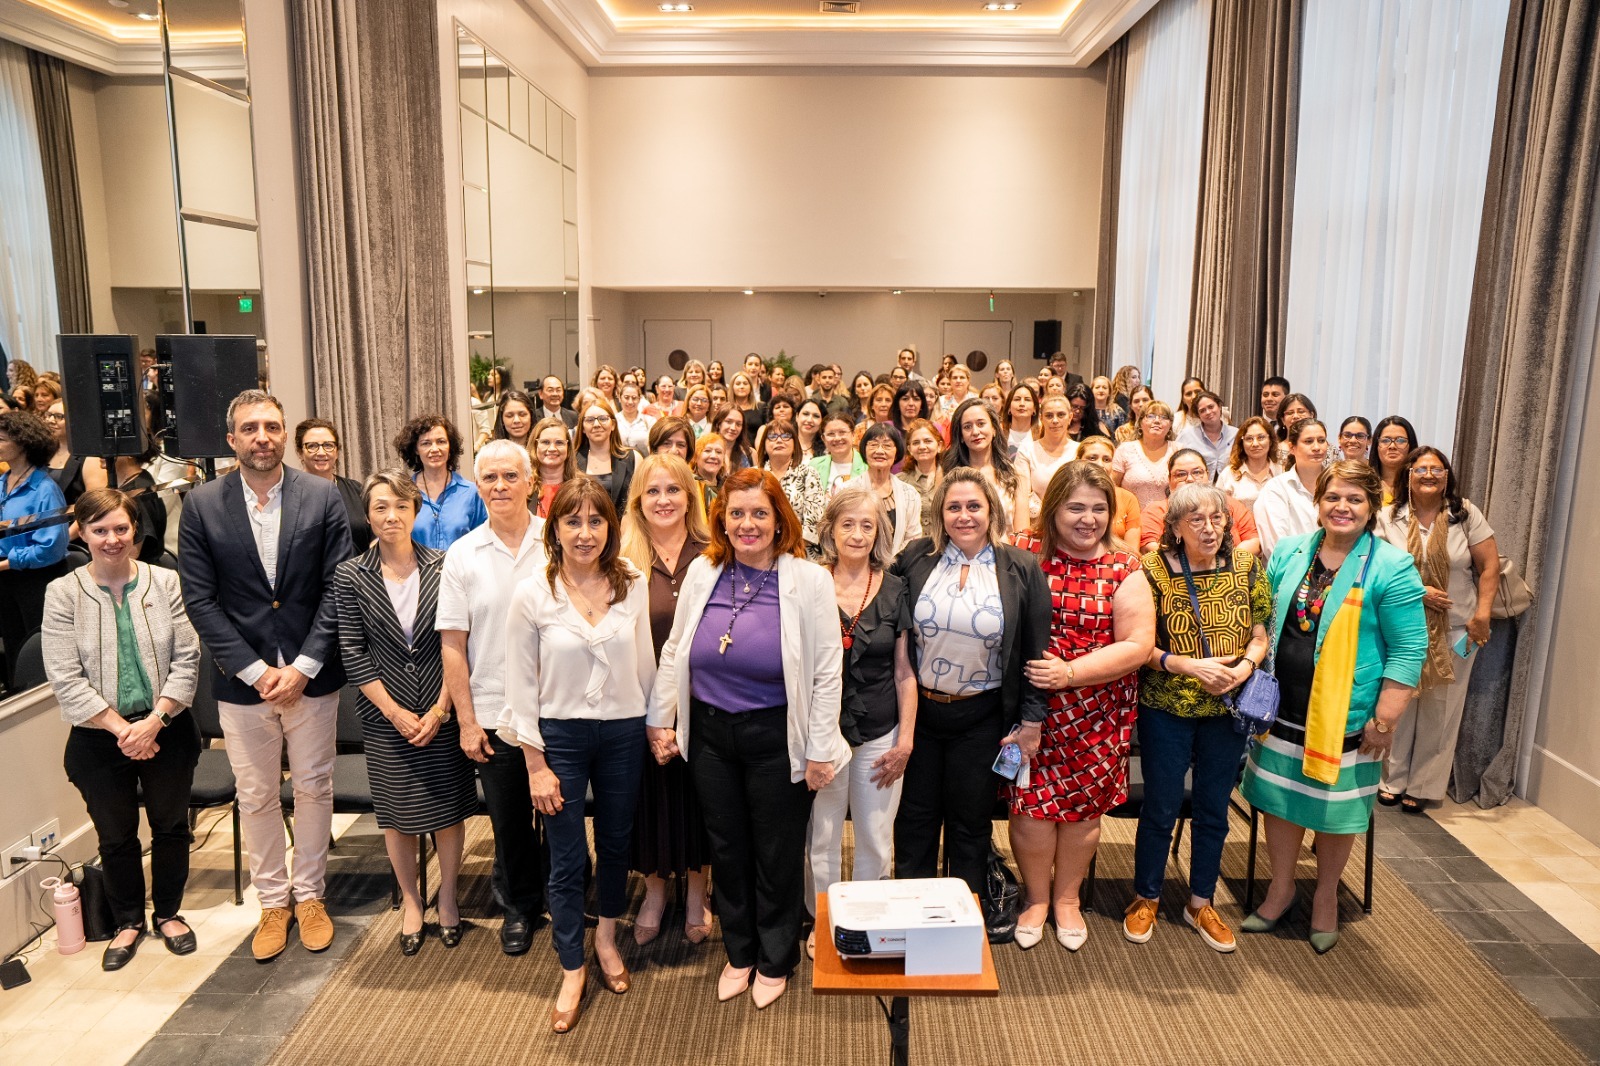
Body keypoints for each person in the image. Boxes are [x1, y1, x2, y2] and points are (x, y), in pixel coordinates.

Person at [647, 468, 847, 1009]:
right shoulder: (703, 573)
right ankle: (739, 952)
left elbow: (828, 670)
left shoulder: (808, 580)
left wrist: (821, 748)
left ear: (779, 517)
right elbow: (675, 652)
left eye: (759, 512)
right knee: (727, 847)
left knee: (776, 852)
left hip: (776, 734)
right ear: (721, 519)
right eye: (736, 513)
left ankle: (775, 957)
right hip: (710, 733)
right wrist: (658, 717)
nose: (747, 523)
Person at [178, 390, 354, 961]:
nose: (263, 436)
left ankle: (310, 896)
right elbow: (201, 602)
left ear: (285, 434)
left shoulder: (322, 496)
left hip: (311, 676)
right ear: (232, 439)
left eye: (272, 426)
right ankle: (273, 904)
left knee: (313, 787)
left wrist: (303, 666)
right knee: (254, 796)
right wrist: (256, 671)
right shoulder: (201, 504)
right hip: (242, 681)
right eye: (250, 428)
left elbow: (338, 588)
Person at [1240, 461, 1426, 953]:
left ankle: (1325, 898)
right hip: (1282, 708)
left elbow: (1409, 650)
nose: (1342, 508)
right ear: (1317, 503)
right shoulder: (1291, 551)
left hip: (1349, 714)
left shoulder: (1391, 566)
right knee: (1280, 802)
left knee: (1333, 811)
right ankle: (1280, 890)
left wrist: (1384, 720)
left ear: (1372, 508)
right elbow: (1266, 616)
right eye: (1333, 498)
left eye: (1355, 500)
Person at [501, 478, 655, 1033]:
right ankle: (571, 966)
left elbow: (645, 665)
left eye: (596, 521)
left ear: (611, 528)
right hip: (558, 737)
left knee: (615, 845)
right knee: (566, 858)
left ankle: (607, 941)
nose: (585, 533)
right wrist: (535, 764)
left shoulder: (631, 583)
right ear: (555, 529)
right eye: (573, 522)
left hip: (621, 733)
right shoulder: (532, 593)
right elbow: (519, 687)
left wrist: (656, 723)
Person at [44, 488, 200, 971]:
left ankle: (169, 913)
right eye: (99, 530)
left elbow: (188, 658)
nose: (112, 539)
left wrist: (153, 722)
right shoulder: (62, 592)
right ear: (84, 533)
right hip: (97, 739)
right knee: (115, 836)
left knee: (171, 827)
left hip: (168, 729)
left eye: (121, 528)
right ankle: (129, 920)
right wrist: (123, 731)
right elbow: (65, 678)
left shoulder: (166, 581)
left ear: (135, 531)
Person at [1006, 462, 1153, 952]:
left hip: (1098, 712)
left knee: (1082, 813)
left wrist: (1070, 673)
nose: (1088, 518)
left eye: (1098, 508)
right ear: (1052, 511)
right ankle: (1036, 899)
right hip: (1031, 711)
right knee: (1030, 808)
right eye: (1076, 507)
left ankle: (1067, 899)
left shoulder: (1125, 566)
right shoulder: (1023, 554)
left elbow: (1136, 645)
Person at [1123, 483, 1271, 953]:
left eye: (1217, 519)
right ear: (1174, 528)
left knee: (1213, 809)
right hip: (1167, 705)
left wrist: (1245, 668)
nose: (1209, 529)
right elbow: (1137, 644)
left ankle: (1200, 901)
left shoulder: (1247, 567)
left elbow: (1259, 634)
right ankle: (1146, 896)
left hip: (1227, 707)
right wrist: (1189, 666)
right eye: (1196, 521)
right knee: (1161, 806)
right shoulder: (1152, 570)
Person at [891, 468, 1050, 899]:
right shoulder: (915, 558)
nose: (964, 516)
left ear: (991, 511)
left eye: (974, 506)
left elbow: (1036, 650)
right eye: (954, 507)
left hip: (983, 717)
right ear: (940, 514)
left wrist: (1032, 720)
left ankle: (965, 923)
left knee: (969, 823)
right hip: (920, 714)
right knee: (915, 820)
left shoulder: (1020, 566)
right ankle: (912, 914)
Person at [333, 471, 475, 955]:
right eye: (379, 507)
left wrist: (439, 709)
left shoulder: (446, 566)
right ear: (368, 515)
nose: (390, 516)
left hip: (444, 709)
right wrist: (395, 713)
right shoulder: (351, 575)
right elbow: (353, 652)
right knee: (398, 817)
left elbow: (458, 642)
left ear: (415, 512)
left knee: (449, 810)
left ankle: (450, 897)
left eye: (400, 506)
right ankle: (413, 902)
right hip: (384, 718)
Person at [437, 440, 548, 957]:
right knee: (508, 821)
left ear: (531, 482)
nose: (500, 486)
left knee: (560, 812)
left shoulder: (559, 540)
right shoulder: (463, 554)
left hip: (557, 706)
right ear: (477, 487)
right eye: (489, 479)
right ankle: (520, 906)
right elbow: (453, 645)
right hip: (494, 710)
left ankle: (566, 895)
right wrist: (465, 719)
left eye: (510, 476)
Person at [803, 485, 916, 956]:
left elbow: (905, 671)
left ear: (879, 532)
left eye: (866, 525)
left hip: (879, 733)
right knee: (822, 836)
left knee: (874, 835)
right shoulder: (808, 582)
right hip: (821, 735)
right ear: (830, 529)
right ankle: (822, 923)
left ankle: (866, 924)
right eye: (847, 523)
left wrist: (906, 740)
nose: (856, 533)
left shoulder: (893, 586)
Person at [620, 454, 714, 946]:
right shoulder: (622, 556)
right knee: (651, 799)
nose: (664, 500)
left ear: (689, 496)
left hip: (703, 703)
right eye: (653, 491)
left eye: (673, 490)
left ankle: (698, 889)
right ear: (639, 498)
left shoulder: (714, 552)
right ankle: (654, 891)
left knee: (699, 798)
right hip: (641, 703)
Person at [1375, 448, 1499, 812]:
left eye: (1436, 469)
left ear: (1447, 475)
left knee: (1442, 710)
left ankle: (1424, 784)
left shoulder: (1465, 514)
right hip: (1401, 626)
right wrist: (1418, 590)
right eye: (1421, 469)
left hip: (1459, 627)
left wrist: (1483, 615)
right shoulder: (1388, 516)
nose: (1428, 474)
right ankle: (1391, 779)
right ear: (1408, 474)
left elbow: (1489, 566)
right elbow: (1377, 568)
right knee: (1400, 700)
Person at [0, 410, 71, 690]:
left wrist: (6, 563)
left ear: (23, 443)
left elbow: (51, 547)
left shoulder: (44, 488)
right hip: (7, 579)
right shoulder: (3, 482)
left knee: (38, 648)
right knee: (14, 645)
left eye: (2, 438)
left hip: (37, 580)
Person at [1139, 449, 1259, 556]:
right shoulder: (1156, 510)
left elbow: (1254, 541)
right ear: (1170, 480)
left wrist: (1224, 564)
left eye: (1197, 472)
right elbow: (1150, 547)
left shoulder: (1229, 505)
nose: (1190, 479)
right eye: (1181, 474)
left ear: (1208, 475)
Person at [393, 416, 484, 552]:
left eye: (441, 441)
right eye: (426, 443)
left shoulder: (471, 492)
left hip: (461, 572)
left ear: (450, 446)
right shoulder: (403, 493)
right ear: (416, 449)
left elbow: (483, 541)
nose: (434, 449)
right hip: (417, 572)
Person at [944, 398, 1031, 532]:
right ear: (960, 436)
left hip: (1007, 550)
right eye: (967, 427)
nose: (975, 432)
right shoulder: (948, 476)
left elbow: (1022, 532)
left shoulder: (1016, 475)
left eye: (981, 424)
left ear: (994, 429)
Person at [1254, 418, 1329, 556]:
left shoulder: (1336, 486)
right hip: (1291, 570)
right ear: (1292, 447)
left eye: (1321, 440)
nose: (1317, 447)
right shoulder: (1276, 489)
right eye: (1308, 441)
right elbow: (1277, 547)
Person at [296, 419, 371, 553]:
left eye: (328, 445)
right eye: (312, 446)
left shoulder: (357, 490)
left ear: (336, 452)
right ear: (300, 452)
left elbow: (375, 534)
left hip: (357, 572)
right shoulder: (290, 494)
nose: (321, 452)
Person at [851, 422, 922, 555]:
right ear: (864, 450)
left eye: (887, 445)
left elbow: (913, 539)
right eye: (873, 444)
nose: (879, 451)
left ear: (896, 453)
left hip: (899, 569)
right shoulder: (848, 490)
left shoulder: (910, 495)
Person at [759, 418, 826, 554]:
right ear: (764, 446)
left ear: (795, 445)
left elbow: (814, 522)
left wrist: (784, 552)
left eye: (786, 436)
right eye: (772, 436)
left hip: (800, 552)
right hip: (760, 551)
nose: (779, 440)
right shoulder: (754, 475)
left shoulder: (808, 473)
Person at [575, 395, 640, 516]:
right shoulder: (572, 460)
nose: (596, 424)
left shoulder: (633, 458)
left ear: (613, 425)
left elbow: (638, 504)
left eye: (603, 418)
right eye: (589, 420)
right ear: (582, 428)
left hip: (623, 530)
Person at [1019, 394, 1078, 525]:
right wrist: (1022, 534)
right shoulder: (1027, 450)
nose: (1055, 420)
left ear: (1070, 417)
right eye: (1049, 415)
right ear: (1041, 418)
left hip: (1072, 527)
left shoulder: (1079, 451)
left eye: (1061, 415)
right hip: (1037, 526)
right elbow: (1021, 497)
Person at [1077, 436, 1141, 554]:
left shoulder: (1128, 498)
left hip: (1117, 565)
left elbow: (1133, 551)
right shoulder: (1064, 493)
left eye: (1107, 460)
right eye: (1092, 458)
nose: (1100, 464)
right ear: (1078, 460)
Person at [1111, 400, 1178, 510]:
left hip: (1170, 520)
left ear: (1170, 424)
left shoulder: (1178, 450)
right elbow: (1113, 487)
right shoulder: (1125, 449)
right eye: (1150, 416)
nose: (1157, 421)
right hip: (1131, 519)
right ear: (1140, 422)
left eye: (1163, 417)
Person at [43, 400, 107, 515]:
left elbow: (95, 505)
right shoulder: (44, 451)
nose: (50, 421)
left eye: (59, 416)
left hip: (74, 525)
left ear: (76, 420)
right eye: (48, 415)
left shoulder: (91, 456)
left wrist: (68, 533)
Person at [1216, 416, 1282, 515]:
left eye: (1261, 438)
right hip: (1239, 529)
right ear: (1242, 443)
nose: (1255, 444)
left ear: (1270, 440)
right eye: (1249, 439)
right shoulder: (1229, 474)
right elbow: (1218, 510)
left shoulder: (1281, 472)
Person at [1178, 391, 1237, 480]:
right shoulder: (1187, 435)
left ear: (1219, 406)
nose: (1208, 412)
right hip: (1197, 489)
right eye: (1202, 411)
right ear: (1198, 415)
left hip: (1229, 489)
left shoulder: (1236, 434)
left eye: (1211, 407)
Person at [898, 418, 943, 532]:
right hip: (912, 547)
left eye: (928, 441)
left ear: (939, 446)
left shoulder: (951, 479)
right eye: (916, 442)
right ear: (909, 449)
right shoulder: (899, 482)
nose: (922, 447)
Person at [809, 411, 868, 496]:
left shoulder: (867, 466)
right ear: (823, 438)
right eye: (831, 434)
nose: (837, 438)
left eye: (842, 432)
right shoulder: (814, 466)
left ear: (853, 434)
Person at [532, 416, 577, 519]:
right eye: (545, 442)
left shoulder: (583, 486)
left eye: (559, 443)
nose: (552, 448)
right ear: (535, 446)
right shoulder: (524, 487)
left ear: (568, 448)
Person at [1369, 415, 1419, 503]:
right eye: (1385, 440)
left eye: (1400, 440)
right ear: (1376, 446)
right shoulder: (1365, 484)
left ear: (1411, 445)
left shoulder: (1419, 485)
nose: (1392, 446)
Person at [615, 380, 656, 454]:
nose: (630, 402)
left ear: (639, 399)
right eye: (626, 397)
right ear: (620, 398)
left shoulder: (650, 421)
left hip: (643, 463)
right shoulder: (613, 420)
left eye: (634, 398)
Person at [692, 433, 729, 512]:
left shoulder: (729, 487)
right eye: (707, 451)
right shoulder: (690, 485)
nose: (713, 456)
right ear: (696, 457)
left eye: (718, 452)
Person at [711, 403, 754, 470]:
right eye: (728, 422)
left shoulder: (749, 453)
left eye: (738, 424)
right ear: (718, 424)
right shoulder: (705, 450)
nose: (733, 428)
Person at [1002, 384, 1040, 455]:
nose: (1022, 404)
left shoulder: (1042, 435)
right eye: (1017, 399)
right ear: (1009, 408)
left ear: (1034, 409)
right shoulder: (999, 435)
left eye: (1027, 400)